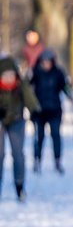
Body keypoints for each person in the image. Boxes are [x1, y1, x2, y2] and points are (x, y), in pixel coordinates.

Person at [0, 56, 41, 201]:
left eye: (11, 75)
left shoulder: (20, 84)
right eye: (5, 76)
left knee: (17, 154)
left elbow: (30, 98)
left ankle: (19, 186)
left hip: (17, 121)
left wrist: (35, 111)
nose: (9, 79)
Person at [30, 49, 72, 174]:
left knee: (56, 135)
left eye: (48, 62)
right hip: (39, 111)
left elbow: (64, 86)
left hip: (54, 110)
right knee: (39, 137)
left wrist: (70, 94)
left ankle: (57, 160)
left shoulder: (58, 73)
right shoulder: (35, 73)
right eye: (44, 62)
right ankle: (37, 160)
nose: (46, 64)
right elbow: (28, 88)